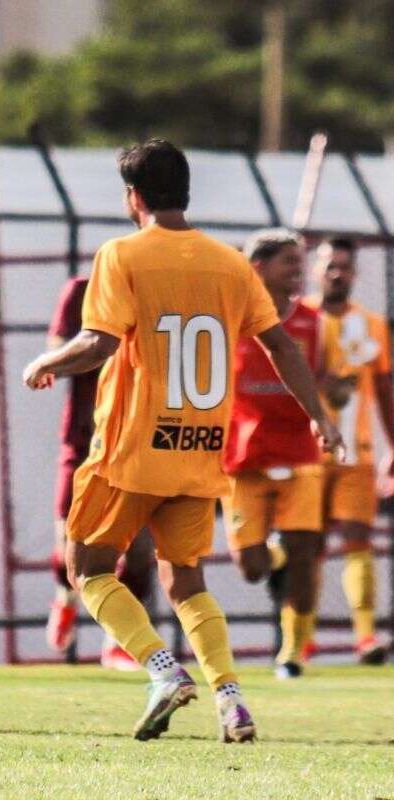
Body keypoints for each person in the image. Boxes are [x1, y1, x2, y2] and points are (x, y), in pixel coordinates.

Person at [23, 139, 341, 742]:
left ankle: (163, 670)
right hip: (199, 450)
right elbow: (282, 346)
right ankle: (231, 697)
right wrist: (320, 418)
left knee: (86, 567)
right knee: (185, 580)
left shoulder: (121, 255)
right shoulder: (230, 264)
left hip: (131, 450)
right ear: (185, 192)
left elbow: (97, 343)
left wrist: (46, 361)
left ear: (133, 197)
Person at [220, 229, 325, 680]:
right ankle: (273, 551)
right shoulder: (229, 318)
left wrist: (329, 401)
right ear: (258, 265)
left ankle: (293, 653)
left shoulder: (314, 321)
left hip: (301, 452)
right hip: (245, 457)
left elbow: (327, 373)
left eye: (299, 260)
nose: (298, 269)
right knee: (252, 567)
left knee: (305, 554)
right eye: (288, 260)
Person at [45, 276, 155, 671]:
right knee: (69, 550)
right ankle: (65, 596)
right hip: (86, 438)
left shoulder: (159, 293)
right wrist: (101, 346)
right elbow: (58, 349)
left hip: (140, 442)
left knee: (141, 552)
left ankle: (119, 642)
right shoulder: (80, 290)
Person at [307, 238, 394, 665]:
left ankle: (365, 637)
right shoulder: (298, 318)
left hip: (355, 455)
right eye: (329, 266)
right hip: (303, 454)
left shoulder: (373, 325)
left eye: (344, 267)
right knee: (307, 544)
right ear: (314, 270)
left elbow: (383, 390)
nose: (336, 274)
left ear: (354, 273)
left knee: (357, 539)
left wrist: (393, 447)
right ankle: (300, 639)